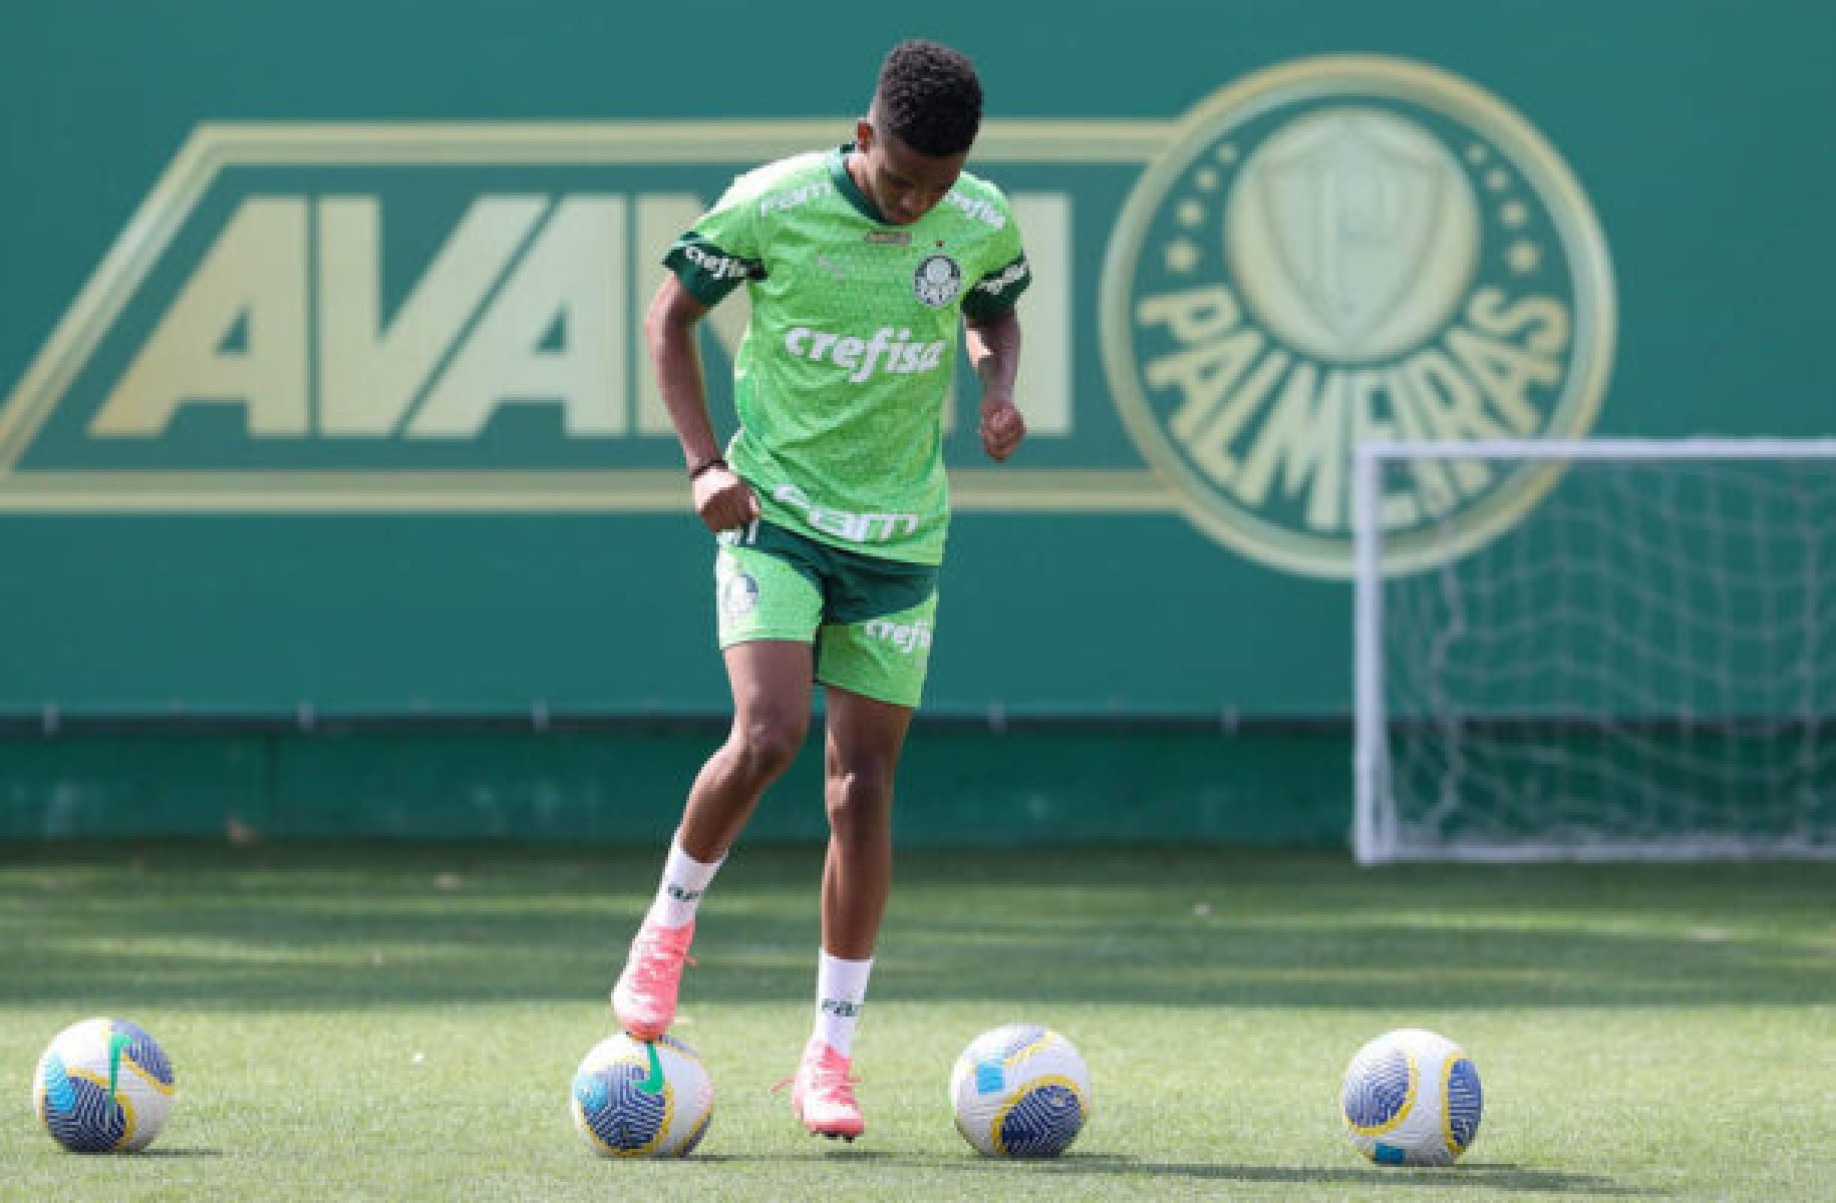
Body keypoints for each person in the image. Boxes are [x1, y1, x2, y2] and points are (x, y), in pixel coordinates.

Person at [609, 37, 1030, 1142]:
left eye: (937, 185)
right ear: (863, 136)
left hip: (901, 540)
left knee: (865, 791)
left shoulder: (976, 216)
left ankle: (828, 1062)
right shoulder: (773, 203)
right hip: (776, 516)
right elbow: (669, 319)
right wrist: (706, 462)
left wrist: (999, 384)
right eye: (900, 178)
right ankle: (665, 935)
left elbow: (994, 309)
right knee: (768, 733)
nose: (916, 202)